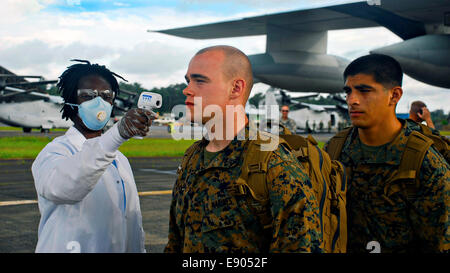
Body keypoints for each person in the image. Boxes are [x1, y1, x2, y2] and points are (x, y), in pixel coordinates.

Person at [164, 45, 322, 253]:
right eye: (188, 81)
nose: (187, 89)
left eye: (200, 80)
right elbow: (176, 242)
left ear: (236, 89)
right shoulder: (192, 157)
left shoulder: (273, 162)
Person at [325, 54, 449, 253]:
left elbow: (440, 244)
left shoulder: (424, 162)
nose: (352, 100)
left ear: (394, 95)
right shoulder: (334, 150)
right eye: (348, 91)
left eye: (364, 91)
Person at [32, 60, 154, 253]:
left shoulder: (119, 159)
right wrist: (117, 135)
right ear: (71, 101)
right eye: (88, 95)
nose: (99, 102)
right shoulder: (54, 152)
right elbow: (64, 188)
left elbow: (132, 223)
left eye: (106, 96)